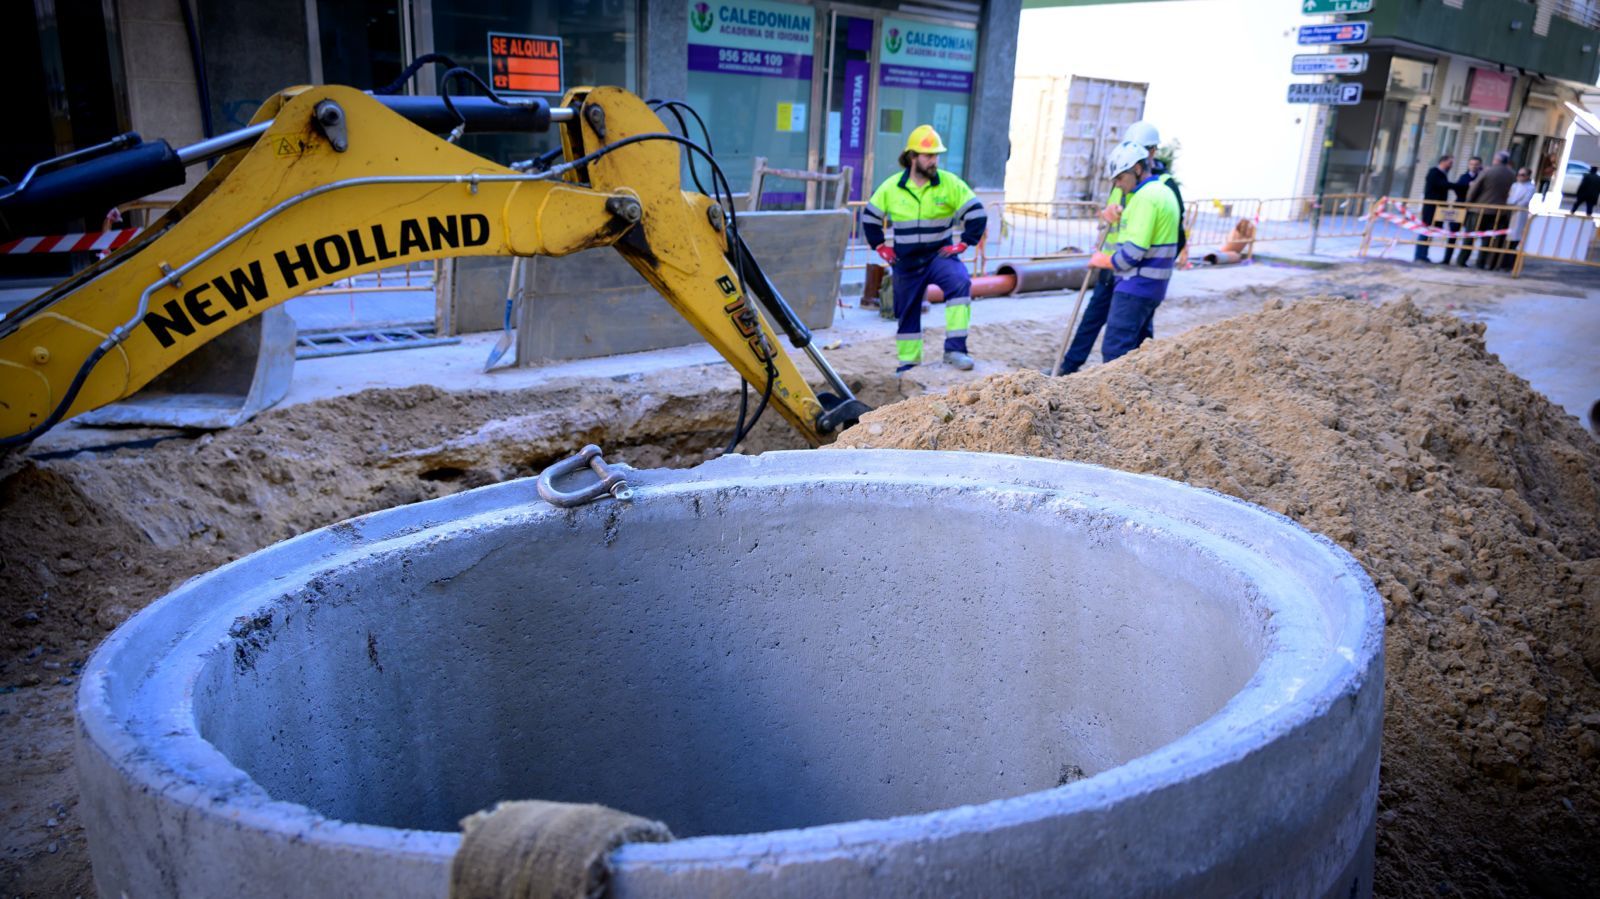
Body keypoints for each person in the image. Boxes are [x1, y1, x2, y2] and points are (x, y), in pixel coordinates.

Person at [1056, 120, 1184, 374]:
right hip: (1119, 272)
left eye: (1121, 178)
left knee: (1122, 341)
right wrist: (1108, 217)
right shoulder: (1134, 187)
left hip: (1131, 273)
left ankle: (1127, 388)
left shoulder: (1154, 192)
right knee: (1097, 323)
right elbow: (1116, 225)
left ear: (1147, 156)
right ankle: (1069, 369)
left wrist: (1107, 260)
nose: (1118, 184)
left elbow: (1147, 244)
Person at [861, 125, 987, 374]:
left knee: (960, 283)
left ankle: (955, 350)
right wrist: (879, 246)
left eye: (936, 156)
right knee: (906, 309)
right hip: (905, 261)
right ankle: (909, 362)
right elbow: (870, 218)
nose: (934, 161)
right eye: (929, 156)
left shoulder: (950, 183)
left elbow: (977, 213)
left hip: (939, 256)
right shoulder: (891, 187)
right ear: (912, 157)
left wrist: (964, 243)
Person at [1083, 140, 1180, 364]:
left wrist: (1102, 260)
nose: (1117, 185)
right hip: (1152, 287)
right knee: (1139, 348)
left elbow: (1131, 254)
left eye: (1120, 178)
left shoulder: (1145, 199)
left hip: (1135, 286)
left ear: (1137, 169)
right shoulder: (1163, 192)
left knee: (1115, 350)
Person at [1467, 150, 1515, 270]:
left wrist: (1469, 203)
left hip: (1480, 209)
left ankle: (1462, 259)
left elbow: (1475, 188)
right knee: (1488, 239)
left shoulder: (1487, 171)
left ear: (1496, 160)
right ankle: (1481, 263)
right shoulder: (1511, 174)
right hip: (1499, 211)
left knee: (1470, 236)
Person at [1416, 154, 1454, 264]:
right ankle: (1420, 255)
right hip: (1430, 208)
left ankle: (1423, 255)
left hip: (1438, 208)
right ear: (1443, 161)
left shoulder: (1443, 174)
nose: (1451, 165)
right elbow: (1442, 185)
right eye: (1450, 162)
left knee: (1431, 231)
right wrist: (1458, 186)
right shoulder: (1434, 172)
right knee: (1426, 230)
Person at [1500, 166, 1536, 272]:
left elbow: (1524, 201)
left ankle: (1510, 264)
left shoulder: (1530, 187)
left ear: (1528, 176)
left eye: (1523, 175)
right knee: (1506, 239)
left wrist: (1513, 204)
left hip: (1519, 214)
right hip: (1510, 213)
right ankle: (1502, 263)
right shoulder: (1515, 185)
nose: (1520, 177)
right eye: (1519, 174)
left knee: (1515, 240)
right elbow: (1510, 197)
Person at [1453, 156, 1482, 266]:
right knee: (1454, 232)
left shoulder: (1480, 177)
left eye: (1476, 164)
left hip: (1473, 210)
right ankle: (1447, 258)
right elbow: (1458, 189)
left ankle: (1462, 260)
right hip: (1460, 207)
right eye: (1472, 164)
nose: (1474, 166)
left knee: (1469, 235)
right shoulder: (1463, 177)